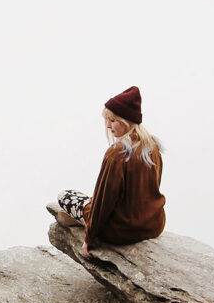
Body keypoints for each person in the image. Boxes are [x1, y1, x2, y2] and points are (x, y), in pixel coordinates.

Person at [54, 86, 166, 257]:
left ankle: (82, 221)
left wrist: (90, 238)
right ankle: (81, 219)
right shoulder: (152, 147)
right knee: (92, 202)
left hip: (120, 231)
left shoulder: (117, 153)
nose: (108, 126)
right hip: (152, 225)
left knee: (66, 196)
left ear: (126, 120)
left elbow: (104, 200)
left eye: (112, 120)